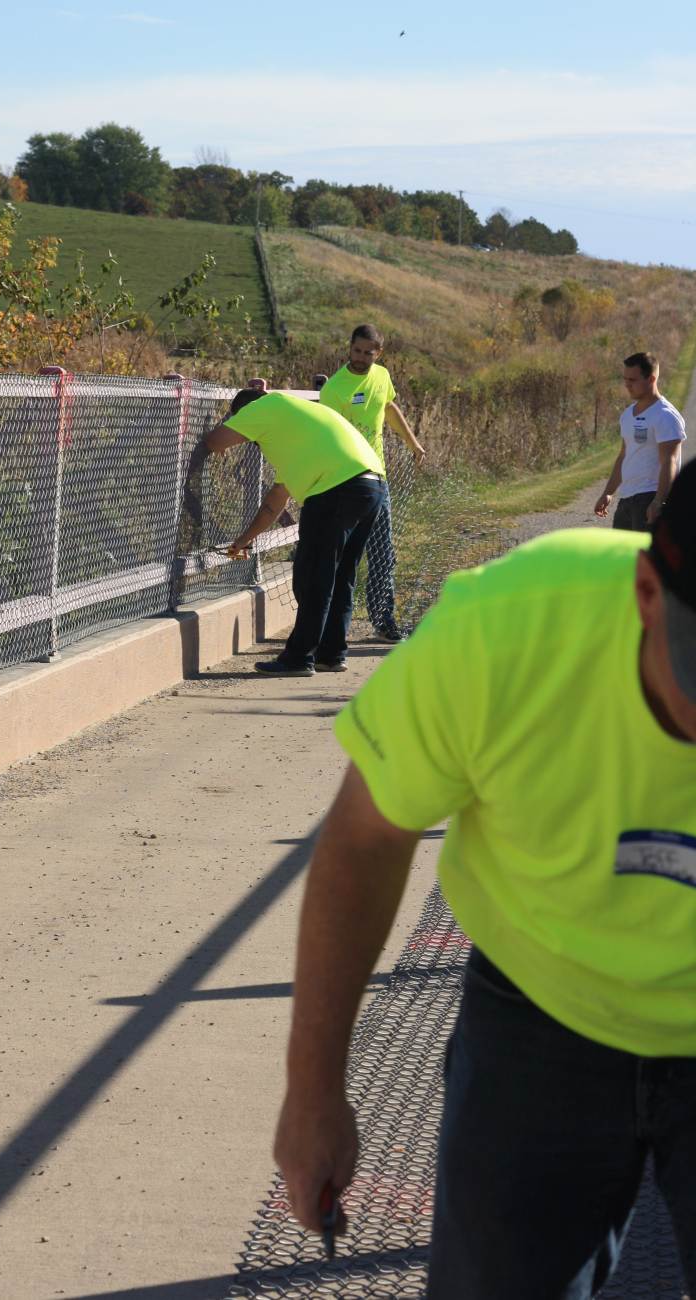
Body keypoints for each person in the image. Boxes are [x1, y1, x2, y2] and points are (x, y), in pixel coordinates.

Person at [273, 460, 696, 1297]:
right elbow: (364, 838)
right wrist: (314, 1091)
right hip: (541, 1016)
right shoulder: (511, 627)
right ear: (647, 592)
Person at [204, 388, 388, 677]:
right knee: (341, 576)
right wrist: (244, 540)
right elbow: (273, 504)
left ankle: (298, 658)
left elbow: (215, 442)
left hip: (334, 490)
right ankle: (331, 654)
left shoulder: (264, 406)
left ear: (244, 412)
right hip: (371, 485)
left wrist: (228, 434)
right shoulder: (298, 424)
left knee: (313, 576)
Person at [319, 324, 424, 641]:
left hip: (377, 478)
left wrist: (413, 444)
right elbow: (326, 436)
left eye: (368, 353)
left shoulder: (382, 376)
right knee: (341, 555)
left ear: (379, 353)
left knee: (382, 551)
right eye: (357, 351)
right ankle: (330, 623)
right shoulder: (334, 390)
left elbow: (389, 408)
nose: (361, 358)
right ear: (348, 347)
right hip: (343, 481)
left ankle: (383, 618)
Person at [595, 350, 685, 530]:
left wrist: (659, 502)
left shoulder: (665, 415)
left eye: (633, 380)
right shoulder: (628, 415)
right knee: (623, 557)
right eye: (625, 379)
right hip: (627, 499)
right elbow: (623, 457)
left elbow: (670, 461)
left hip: (650, 499)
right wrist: (608, 493)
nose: (627, 385)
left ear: (651, 379)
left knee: (648, 557)